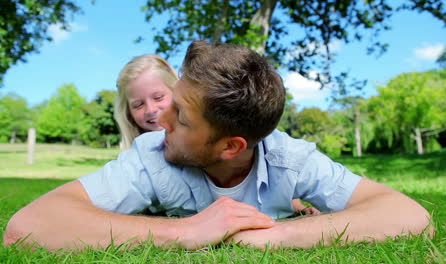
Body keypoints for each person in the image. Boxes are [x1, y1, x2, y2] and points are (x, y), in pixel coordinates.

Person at [4, 40, 431, 251]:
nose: (160, 119)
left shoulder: (291, 159)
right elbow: (27, 227)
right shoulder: (152, 155)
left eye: (181, 117)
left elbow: (411, 216)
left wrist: (276, 236)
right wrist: (187, 231)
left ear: (231, 146)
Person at [114, 53, 316, 214]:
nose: (151, 110)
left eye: (159, 97)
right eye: (138, 104)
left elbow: (267, 173)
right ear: (128, 112)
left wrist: (294, 203)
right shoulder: (139, 154)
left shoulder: (204, 140)